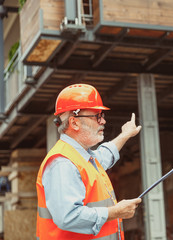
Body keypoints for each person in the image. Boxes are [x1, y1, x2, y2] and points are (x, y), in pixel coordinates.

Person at [36, 83, 142, 240]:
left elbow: (105, 156)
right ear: (74, 123)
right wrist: (115, 212)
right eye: (96, 116)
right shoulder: (63, 163)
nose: (103, 121)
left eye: (102, 116)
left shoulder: (82, 157)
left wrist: (125, 135)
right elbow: (68, 216)